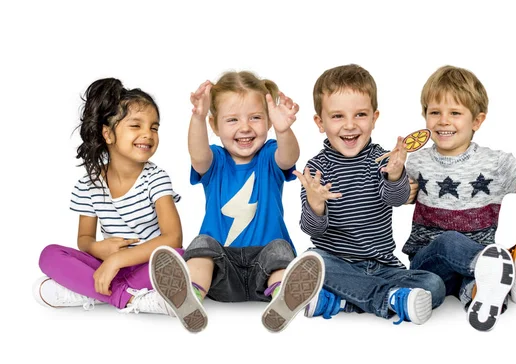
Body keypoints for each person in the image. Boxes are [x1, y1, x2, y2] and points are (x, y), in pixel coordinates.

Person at [149, 71, 324, 333]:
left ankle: (282, 297)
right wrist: (197, 118)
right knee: (202, 244)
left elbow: (289, 158)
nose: (245, 127)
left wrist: (284, 128)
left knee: (280, 249)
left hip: (264, 269)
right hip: (221, 272)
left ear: (267, 121)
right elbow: (198, 155)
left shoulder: (269, 156)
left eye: (255, 118)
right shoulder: (215, 160)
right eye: (232, 120)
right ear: (215, 126)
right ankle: (190, 295)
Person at [403, 65, 516, 331]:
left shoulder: (495, 163)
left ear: (476, 121)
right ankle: (506, 263)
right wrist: (396, 181)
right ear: (425, 117)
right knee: (449, 240)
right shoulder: (416, 160)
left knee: (479, 285)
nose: (443, 120)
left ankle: (488, 294)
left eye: (455, 113)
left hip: (474, 270)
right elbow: (394, 196)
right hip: (428, 265)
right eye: (434, 112)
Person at [295, 64, 445, 326]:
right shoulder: (316, 170)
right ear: (320, 122)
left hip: (383, 267)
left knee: (434, 284)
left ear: (374, 118)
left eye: (360, 115)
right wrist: (315, 203)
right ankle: (386, 300)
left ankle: (341, 301)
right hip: (337, 264)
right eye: (338, 116)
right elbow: (313, 229)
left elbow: (395, 199)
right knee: (311, 260)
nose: (350, 125)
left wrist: (396, 175)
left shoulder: (381, 160)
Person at [33, 78, 183, 316]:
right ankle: (130, 297)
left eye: (154, 127)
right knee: (49, 254)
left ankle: (94, 292)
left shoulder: (156, 178)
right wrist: (97, 249)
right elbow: (84, 239)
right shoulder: (88, 185)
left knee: (182, 257)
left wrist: (118, 260)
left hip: (148, 265)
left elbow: (174, 238)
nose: (148, 134)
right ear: (108, 134)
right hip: (107, 267)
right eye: (136, 126)